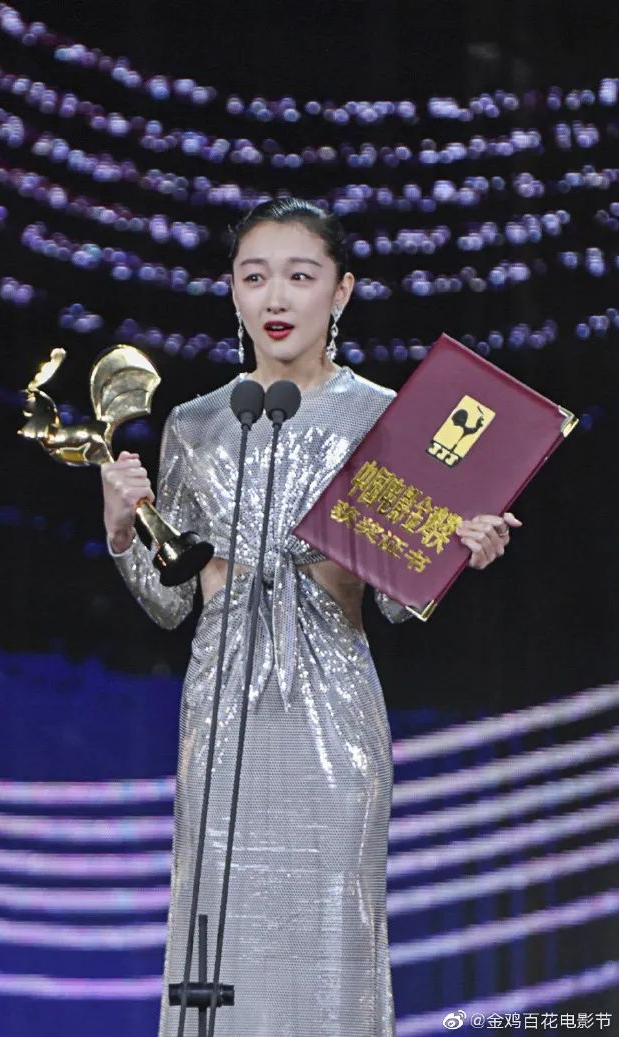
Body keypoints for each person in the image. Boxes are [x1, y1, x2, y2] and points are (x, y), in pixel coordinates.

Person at [101, 198, 521, 1037]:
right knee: (216, 934)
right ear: (232, 291)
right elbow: (171, 601)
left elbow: (396, 599)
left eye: (301, 276)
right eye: (255, 277)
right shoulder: (196, 425)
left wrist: (460, 552)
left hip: (332, 712)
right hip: (221, 707)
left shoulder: (388, 417)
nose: (276, 297)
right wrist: (120, 532)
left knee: (333, 932)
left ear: (342, 290)